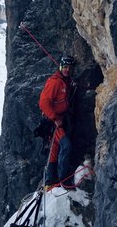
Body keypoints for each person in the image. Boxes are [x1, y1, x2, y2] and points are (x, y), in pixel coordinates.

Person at [39, 54, 76, 189]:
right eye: (65, 67)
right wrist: (55, 118)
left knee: (54, 150)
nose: (67, 70)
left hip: (60, 119)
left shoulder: (65, 81)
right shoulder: (55, 82)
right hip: (53, 122)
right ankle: (64, 179)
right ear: (60, 67)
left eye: (69, 68)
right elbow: (43, 102)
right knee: (66, 146)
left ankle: (50, 180)